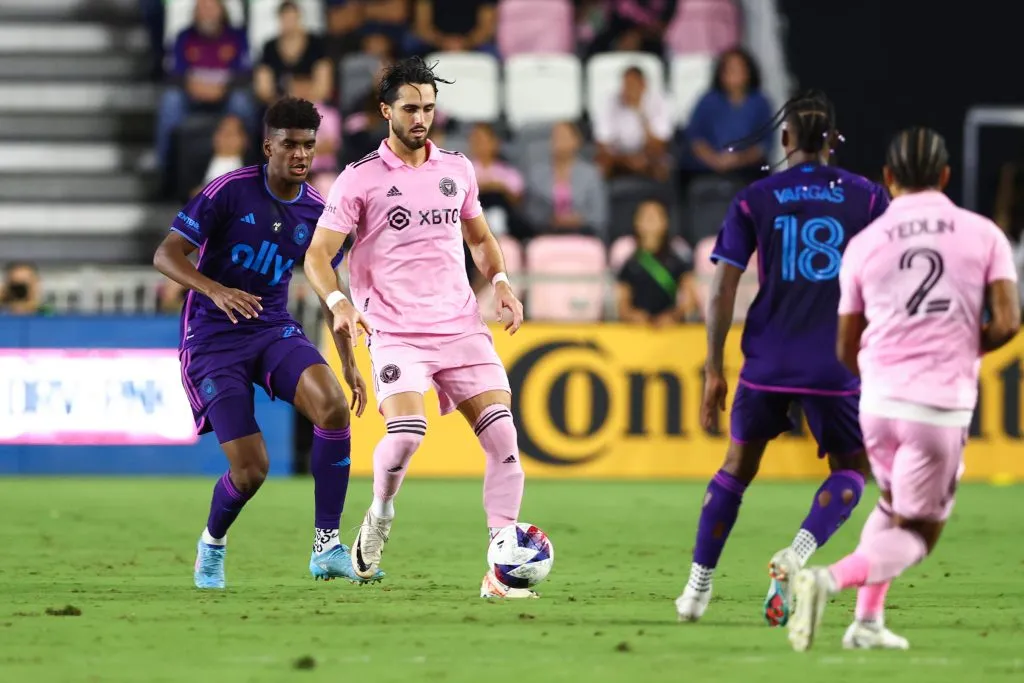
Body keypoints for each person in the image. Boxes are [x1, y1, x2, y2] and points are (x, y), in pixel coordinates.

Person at [304, 57, 531, 599]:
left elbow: (478, 238)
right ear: (386, 111)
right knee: (407, 436)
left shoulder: (457, 170)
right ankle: (378, 518)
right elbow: (318, 254)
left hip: (459, 323)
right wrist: (337, 300)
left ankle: (502, 560)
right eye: (410, 108)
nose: (421, 117)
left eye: (429, 107)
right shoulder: (359, 179)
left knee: (503, 434)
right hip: (395, 329)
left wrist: (499, 281)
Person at [788, 128, 1021, 652]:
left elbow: (846, 342)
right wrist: (965, 348)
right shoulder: (982, 234)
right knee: (920, 532)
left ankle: (866, 623)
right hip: (937, 405)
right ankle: (829, 579)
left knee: (892, 506)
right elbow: (1008, 322)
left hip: (878, 400)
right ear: (944, 177)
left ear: (887, 179)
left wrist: (876, 372)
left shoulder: (865, 242)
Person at [675, 90, 891, 624]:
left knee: (736, 469)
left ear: (786, 139)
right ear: (833, 142)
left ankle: (696, 592)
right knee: (851, 469)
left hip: (767, 359)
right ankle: (794, 555)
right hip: (836, 363)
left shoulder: (756, 197)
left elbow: (723, 288)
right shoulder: (868, 198)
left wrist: (712, 369)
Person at [153, 96, 384, 589]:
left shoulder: (319, 214)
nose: (301, 155)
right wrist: (216, 289)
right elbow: (166, 254)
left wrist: (347, 362)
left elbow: (329, 291)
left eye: (309, 145)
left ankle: (327, 546)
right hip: (212, 338)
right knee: (252, 469)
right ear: (267, 146)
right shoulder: (228, 192)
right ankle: (212, 544)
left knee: (334, 408)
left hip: (271, 327)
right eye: (290, 145)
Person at [616, 200, 697, 325]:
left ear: (665, 222)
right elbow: (622, 304)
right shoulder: (630, 263)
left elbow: (691, 300)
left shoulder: (676, 261)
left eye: (655, 216)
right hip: (638, 330)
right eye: (645, 216)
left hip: (670, 329)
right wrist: (633, 315)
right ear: (636, 223)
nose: (650, 219)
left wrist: (674, 316)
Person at [594, 67, 672, 182]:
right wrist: (625, 160)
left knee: (662, 167)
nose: (627, 90)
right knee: (600, 166)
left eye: (632, 85)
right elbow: (602, 145)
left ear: (643, 85)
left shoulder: (660, 102)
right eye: (625, 85)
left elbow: (658, 146)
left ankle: (658, 199)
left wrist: (639, 112)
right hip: (618, 156)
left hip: (648, 155)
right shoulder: (610, 102)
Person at [254, 1, 332, 107]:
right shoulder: (270, 47)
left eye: (292, 18)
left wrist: (302, 92)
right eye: (285, 18)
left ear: (299, 17)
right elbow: (263, 86)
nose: (289, 22)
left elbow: (324, 82)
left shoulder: (316, 44)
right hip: (279, 106)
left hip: (314, 104)